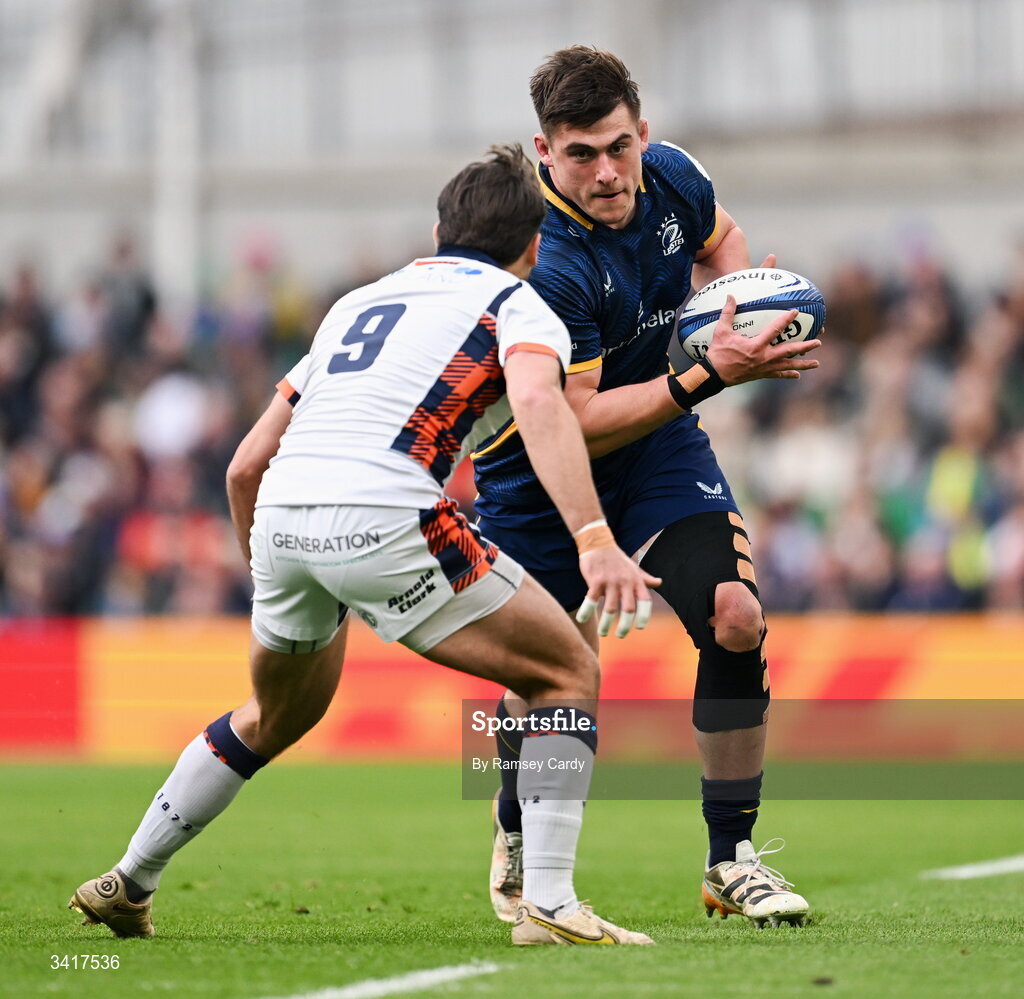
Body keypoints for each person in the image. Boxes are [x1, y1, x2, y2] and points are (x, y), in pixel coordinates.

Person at [68, 144, 660, 947]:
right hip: (388, 506)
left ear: (438, 230)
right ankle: (550, 903)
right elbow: (542, 407)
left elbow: (246, 463)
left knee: (271, 713)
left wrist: (278, 571)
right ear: (533, 247)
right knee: (567, 669)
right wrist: (594, 538)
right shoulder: (519, 305)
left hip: (281, 514)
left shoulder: (355, 303)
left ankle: (129, 879)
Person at [474, 48, 820, 929]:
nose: (607, 171)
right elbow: (577, 418)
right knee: (551, 668)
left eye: (619, 147)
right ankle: (513, 816)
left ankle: (731, 859)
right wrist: (710, 373)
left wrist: (736, 308)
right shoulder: (544, 261)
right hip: (541, 470)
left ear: (645, 133)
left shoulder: (673, 178)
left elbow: (725, 241)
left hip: (659, 447)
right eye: (581, 153)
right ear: (544, 151)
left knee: (736, 614)